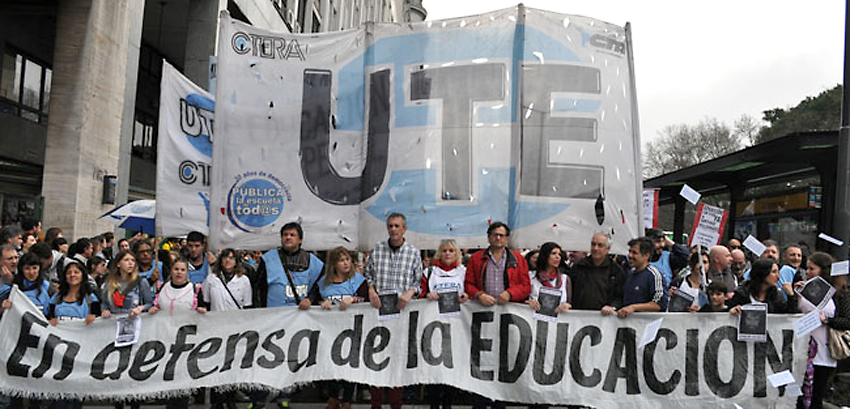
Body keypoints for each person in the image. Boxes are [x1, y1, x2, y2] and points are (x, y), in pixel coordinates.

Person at [252, 222, 324, 408]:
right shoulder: (268, 259)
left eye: (292, 235)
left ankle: (285, 396)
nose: (288, 237)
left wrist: (310, 299)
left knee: (292, 359)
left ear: (300, 239)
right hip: (272, 321)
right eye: (285, 234)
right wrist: (259, 314)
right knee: (265, 359)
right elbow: (258, 288)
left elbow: (320, 286)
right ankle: (259, 398)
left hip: (299, 322)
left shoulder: (314, 262)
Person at [364, 213, 422, 409]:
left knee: (397, 360)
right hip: (379, 312)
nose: (393, 229)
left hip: (401, 314)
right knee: (376, 358)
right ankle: (376, 404)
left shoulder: (413, 253)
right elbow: (368, 274)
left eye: (397, 226)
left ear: (404, 229)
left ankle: (396, 404)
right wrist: (371, 290)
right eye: (390, 226)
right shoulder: (377, 250)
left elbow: (419, 281)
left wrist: (410, 293)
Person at [149, 257, 208, 409]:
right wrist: (153, 309)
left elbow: (203, 308)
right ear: (171, 271)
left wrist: (201, 310)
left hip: (186, 342)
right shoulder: (162, 287)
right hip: (165, 339)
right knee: (168, 376)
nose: (179, 272)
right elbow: (155, 305)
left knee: (182, 378)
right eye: (176, 269)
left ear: (187, 272)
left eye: (182, 270)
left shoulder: (195, 289)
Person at [417, 240, 466, 409]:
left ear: (457, 253)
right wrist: (426, 296)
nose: (447, 254)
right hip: (434, 327)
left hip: (456, 327)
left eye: (451, 250)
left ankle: (448, 404)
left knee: (451, 368)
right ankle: (433, 404)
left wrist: (466, 297)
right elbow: (419, 294)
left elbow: (470, 292)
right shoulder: (429, 272)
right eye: (444, 250)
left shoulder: (464, 272)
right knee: (434, 367)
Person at [46, 260, 100, 409]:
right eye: (69, 272)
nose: (72, 275)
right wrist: (51, 321)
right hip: (58, 350)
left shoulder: (90, 298)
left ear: (83, 275)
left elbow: (100, 317)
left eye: (76, 272)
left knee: (75, 389)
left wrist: (94, 317)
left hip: (80, 351)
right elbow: (47, 317)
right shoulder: (56, 297)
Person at [319, 247, 368, 409]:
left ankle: (347, 400)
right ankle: (333, 398)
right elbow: (315, 300)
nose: (346, 263)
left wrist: (353, 299)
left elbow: (368, 300)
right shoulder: (323, 283)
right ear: (334, 264)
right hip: (330, 331)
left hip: (352, 330)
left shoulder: (358, 280)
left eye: (347, 259)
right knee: (331, 364)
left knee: (349, 365)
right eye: (341, 260)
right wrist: (322, 303)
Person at [794, 252, 838, 409]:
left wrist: (826, 320)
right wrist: (794, 294)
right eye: (807, 268)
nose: (808, 272)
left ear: (823, 270)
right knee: (799, 398)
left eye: (812, 269)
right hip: (803, 352)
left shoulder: (838, 292)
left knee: (817, 397)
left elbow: (845, 320)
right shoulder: (804, 289)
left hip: (824, 353)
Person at [465, 221, 530, 308]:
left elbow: (525, 286)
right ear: (488, 237)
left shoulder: (518, 259)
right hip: (482, 308)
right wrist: (479, 295)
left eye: (501, 235)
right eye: (495, 235)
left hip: (509, 309)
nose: (498, 238)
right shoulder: (475, 258)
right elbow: (468, 284)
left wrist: (510, 294)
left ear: (507, 239)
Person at [569, 232, 626, 314]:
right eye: (593, 244)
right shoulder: (578, 267)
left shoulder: (616, 271)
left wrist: (612, 307)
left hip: (605, 317)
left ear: (608, 249)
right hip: (579, 316)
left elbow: (620, 296)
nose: (595, 248)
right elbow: (569, 291)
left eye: (600, 245)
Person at [618, 237, 668, 317]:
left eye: (634, 253)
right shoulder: (629, 274)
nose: (630, 255)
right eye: (629, 251)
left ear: (646, 255)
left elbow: (659, 304)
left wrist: (633, 308)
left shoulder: (654, 275)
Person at [728, 259, 797, 314]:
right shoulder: (742, 293)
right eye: (774, 272)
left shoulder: (776, 295)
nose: (778, 277)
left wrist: (791, 296)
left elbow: (788, 315)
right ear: (763, 273)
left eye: (778, 272)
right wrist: (733, 310)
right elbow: (728, 311)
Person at [526, 241, 572, 313]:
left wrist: (567, 306)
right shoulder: (531, 276)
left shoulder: (565, 279)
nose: (557, 257)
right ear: (545, 255)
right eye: (553, 253)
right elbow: (522, 300)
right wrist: (528, 302)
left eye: (559, 254)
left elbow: (569, 303)